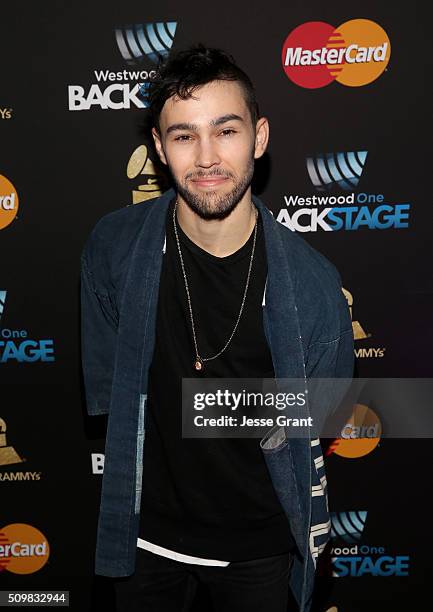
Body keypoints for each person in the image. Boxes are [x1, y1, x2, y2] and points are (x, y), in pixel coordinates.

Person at [80, 45, 354, 612]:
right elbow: (109, 394)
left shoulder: (312, 284)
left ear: (258, 137)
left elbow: (325, 411)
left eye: (225, 130)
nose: (206, 157)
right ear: (158, 148)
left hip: (257, 546)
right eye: (183, 136)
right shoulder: (113, 248)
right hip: (143, 536)